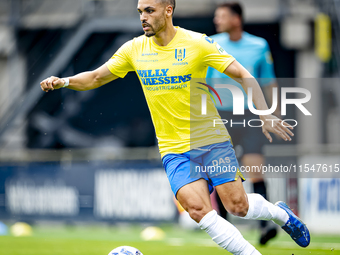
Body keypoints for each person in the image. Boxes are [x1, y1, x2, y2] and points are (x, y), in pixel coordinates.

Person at [40, 0, 310, 254]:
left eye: (149, 11)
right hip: (173, 149)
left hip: (212, 140)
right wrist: (64, 81)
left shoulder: (197, 43)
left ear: (168, 10)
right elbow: (97, 76)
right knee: (197, 210)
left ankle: (280, 214)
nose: (143, 18)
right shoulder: (134, 49)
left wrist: (264, 113)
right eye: (139, 12)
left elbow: (243, 74)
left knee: (238, 206)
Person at [206, 2, 281, 245]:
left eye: (222, 16)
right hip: (221, 116)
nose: (217, 20)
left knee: (255, 169)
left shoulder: (259, 45)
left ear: (236, 19)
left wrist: (274, 113)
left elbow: (269, 82)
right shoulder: (211, 44)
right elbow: (204, 83)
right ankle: (225, 228)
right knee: (221, 171)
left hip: (250, 115)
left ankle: (265, 226)